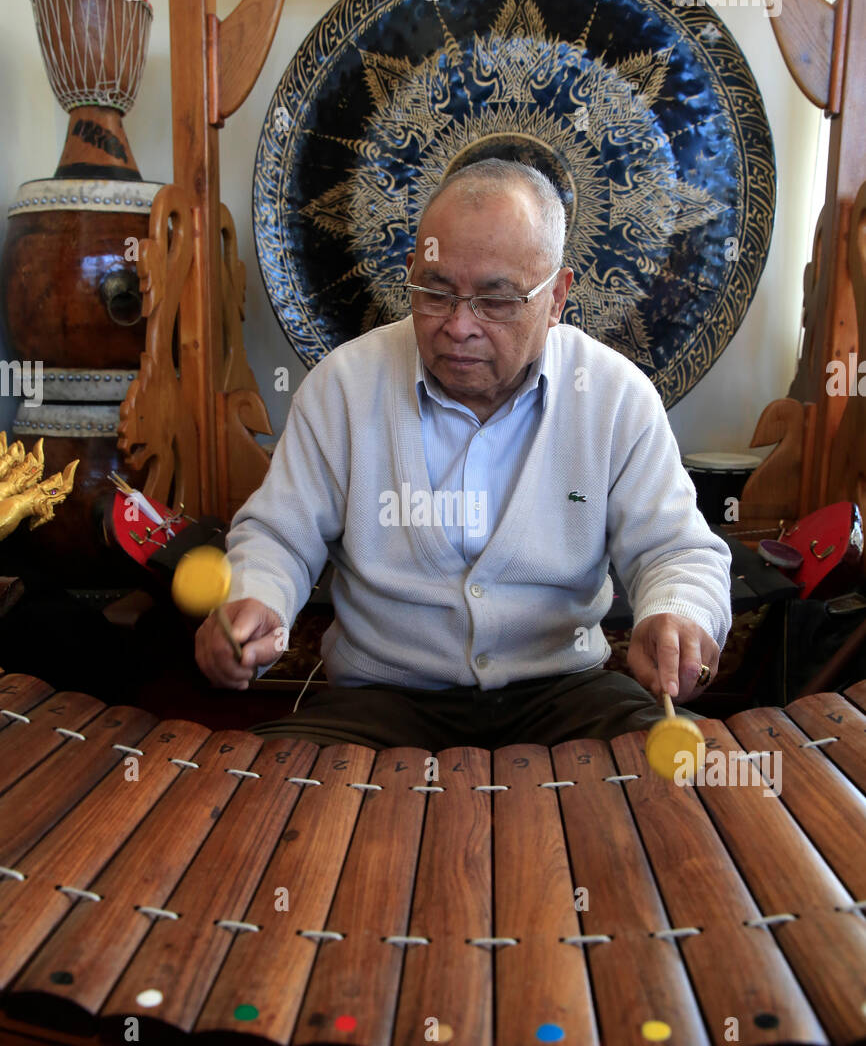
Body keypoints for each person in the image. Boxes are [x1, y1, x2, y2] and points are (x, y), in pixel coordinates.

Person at [195, 158, 732, 749]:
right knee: (270, 781)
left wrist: (678, 613)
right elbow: (278, 535)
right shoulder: (343, 385)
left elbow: (677, 549)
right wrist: (255, 600)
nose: (458, 326)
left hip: (565, 694)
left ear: (555, 297)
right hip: (382, 700)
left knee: (694, 775)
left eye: (497, 302)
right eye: (435, 292)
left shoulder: (614, 397)